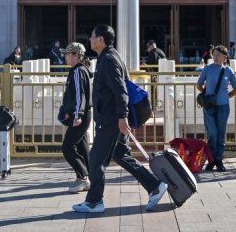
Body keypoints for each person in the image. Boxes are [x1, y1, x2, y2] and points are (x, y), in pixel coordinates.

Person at [72, 24, 167, 214]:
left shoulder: (108, 59)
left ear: (101, 39)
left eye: (92, 36)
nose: (89, 40)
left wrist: (122, 116)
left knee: (96, 159)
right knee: (121, 155)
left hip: (111, 119)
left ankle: (94, 201)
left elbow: (120, 90)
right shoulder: (110, 56)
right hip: (113, 117)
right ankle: (155, 186)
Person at [196, 45, 236, 172]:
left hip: (223, 106)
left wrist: (225, 96)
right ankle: (212, 160)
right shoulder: (207, 69)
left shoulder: (228, 71)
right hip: (209, 106)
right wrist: (207, 95)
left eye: (218, 55)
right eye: (214, 54)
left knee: (221, 134)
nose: (215, 57)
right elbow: (199, 85)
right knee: (212, 133)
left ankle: (218, 160)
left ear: (225, 57)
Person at [60, 42, 92, 193]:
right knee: (82, 147)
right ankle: (91, 176)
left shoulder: (78, 71)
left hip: (80, 116)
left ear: (76, 56)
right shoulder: (78, 70)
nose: (65, 57)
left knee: (67, 147)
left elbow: (81, 95)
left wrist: (77, 114)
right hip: (80, 114)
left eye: (67, 54)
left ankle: (83, 177)